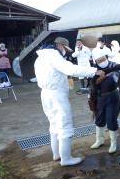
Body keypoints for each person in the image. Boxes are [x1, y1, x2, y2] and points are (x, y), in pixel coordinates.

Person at [34, 36, 104, 166]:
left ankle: (57, 154)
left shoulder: (40, 58)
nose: (65, 51)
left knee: (54, 125)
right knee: (64, 125)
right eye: (65, 48)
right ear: (60, 46)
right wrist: (94, 71)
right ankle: (66, 159)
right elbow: (71, 69)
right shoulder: (54, 56)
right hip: (57, 95)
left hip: (45, 94)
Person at [90, 51, 120, 154]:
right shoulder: (94, 68)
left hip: (112, 96)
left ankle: (113, 142)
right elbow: (93, 83)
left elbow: (119, 78)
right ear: (96, 61)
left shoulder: (114, 65)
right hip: (100, 98)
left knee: (111, 119)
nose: (102, 61)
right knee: (99, 119)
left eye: (103, 59)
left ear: (106, 57)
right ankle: (99, 140)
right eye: (99, 60)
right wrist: (101, 78)